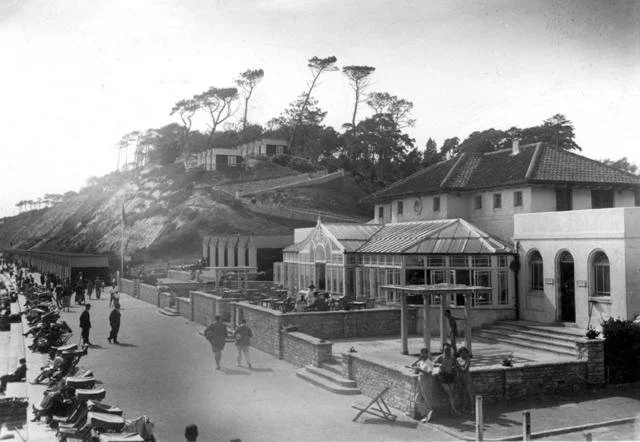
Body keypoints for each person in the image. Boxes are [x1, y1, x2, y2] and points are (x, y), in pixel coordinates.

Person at [434, 343, 461, 416]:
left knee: (451, 394)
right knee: (449, 393)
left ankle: (452, 411)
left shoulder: (453, 358)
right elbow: (433, 363)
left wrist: (454, 367)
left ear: (450, 350)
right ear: (443, 350)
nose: (447, 351)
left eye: (448, 349)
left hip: (451, 375)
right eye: (445, 350)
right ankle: (454, 410)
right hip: (443, 376)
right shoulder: (440, 357)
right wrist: (439, 365)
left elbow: (457, 365)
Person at [410, 348, 434, 422]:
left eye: (424, 353)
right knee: (417, 400)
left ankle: (428, 415)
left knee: (427, 399)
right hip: (420, 380)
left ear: (427, 354)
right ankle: (426, 413)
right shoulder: (420, 362)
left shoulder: (429, 363)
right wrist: (417, 360)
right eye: (421, 353)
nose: (422, 354)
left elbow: (430, 373)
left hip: (426, 381)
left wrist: (420, 370)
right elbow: (412, 366)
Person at [456, 347, 474, 413]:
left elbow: (465, 369)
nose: (463, 354)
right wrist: (459, 368)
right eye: (462, 353)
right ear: (459, 353)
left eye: (465, 353)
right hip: (459, 378)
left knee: (469, 393)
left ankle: (472, 408)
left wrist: (458, 367)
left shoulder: (468, 359)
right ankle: (463, 407)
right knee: (462, 393)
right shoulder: (457, 359)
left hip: (466, 378)